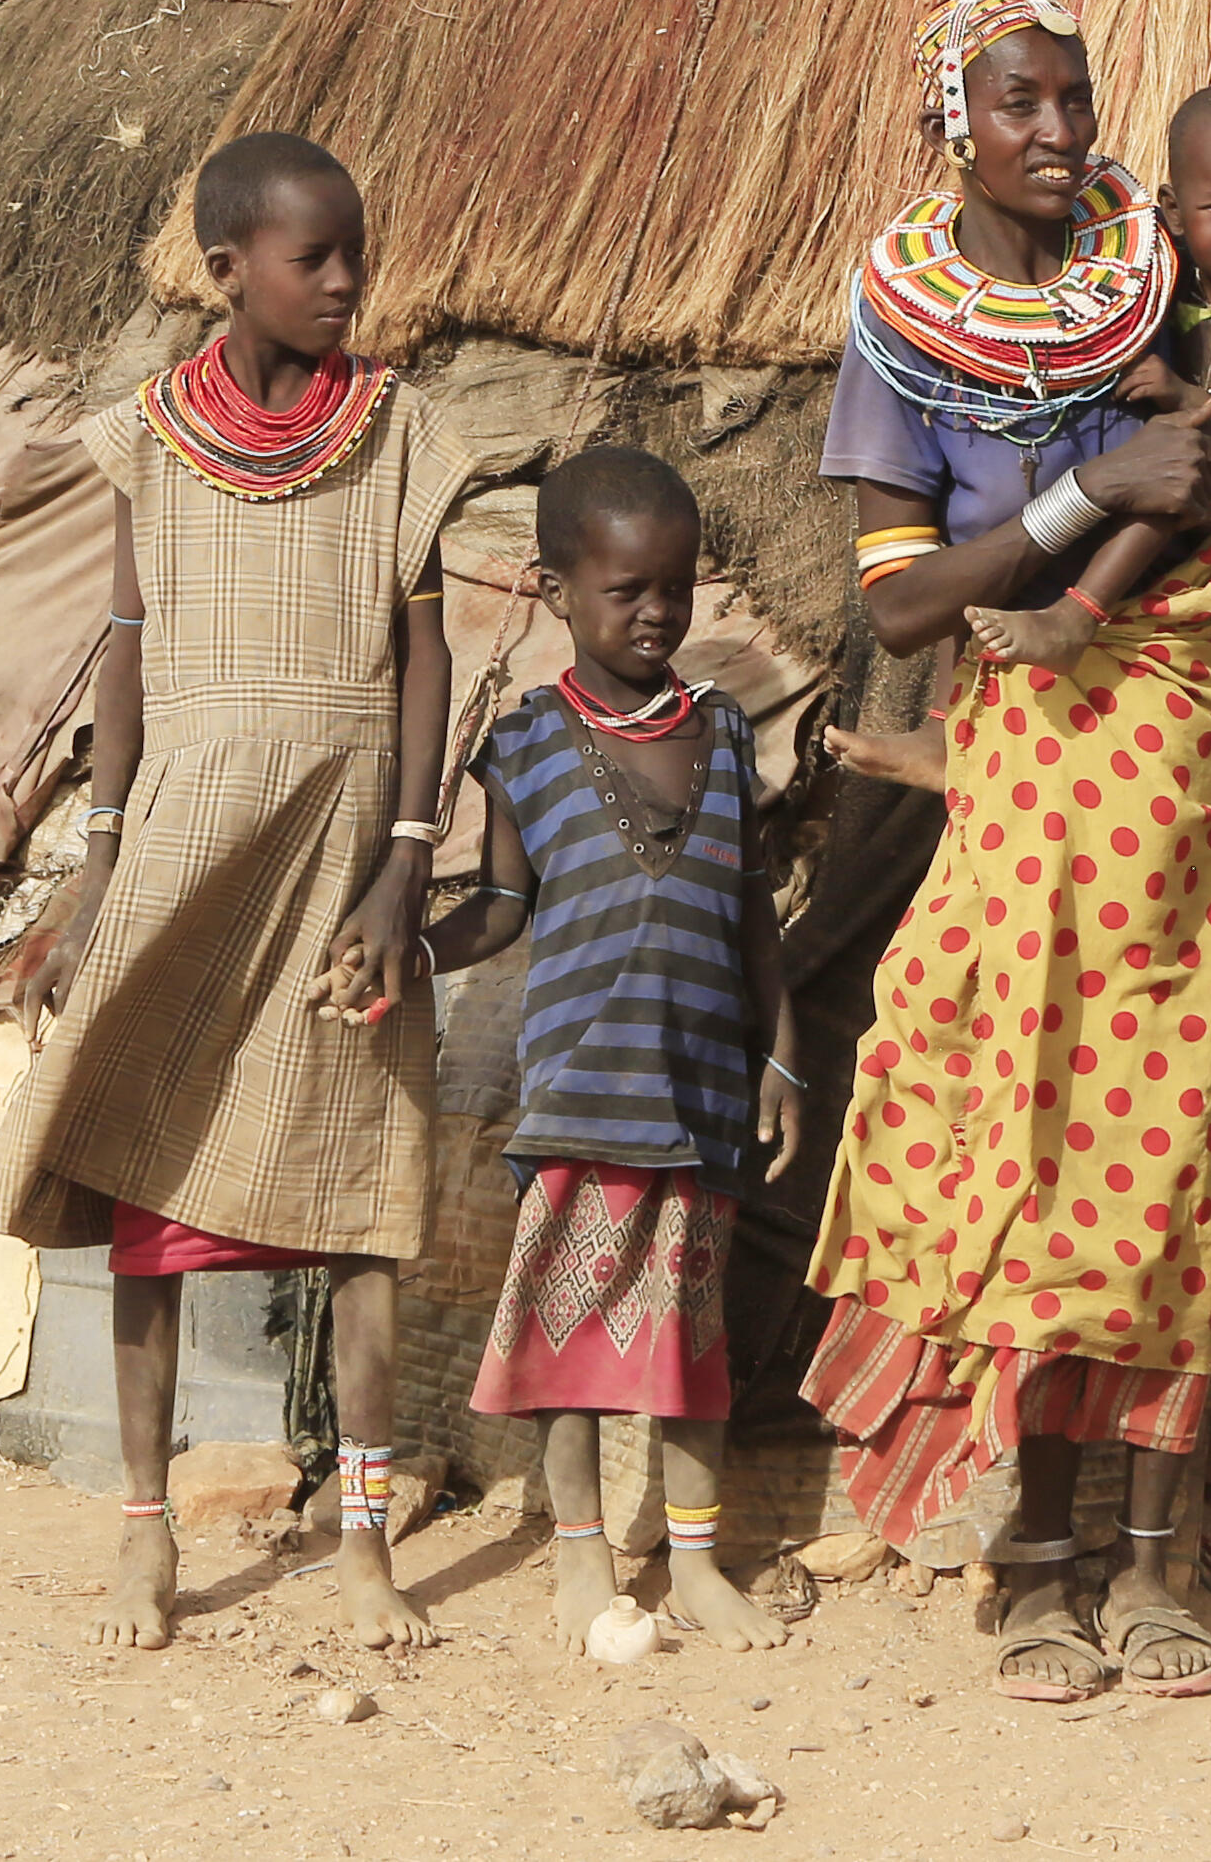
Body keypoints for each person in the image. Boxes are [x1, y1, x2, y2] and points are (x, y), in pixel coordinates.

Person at [798, 0, 1211, 1704]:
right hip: (1025, 749)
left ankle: (1151, 1562)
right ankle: (1033, 1556)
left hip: (1187, 742)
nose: (1060, 128)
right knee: (1022, 1118)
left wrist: (1149, 487)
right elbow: (904, 607)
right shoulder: (900, 335)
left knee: (1170, 1135)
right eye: (1022, 103)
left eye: (1075, 96)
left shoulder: (1155, 277)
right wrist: (1088, 494)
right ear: (958, 128)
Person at [0, 131, 468, 1657]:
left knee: (363, 1206)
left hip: (344, 856)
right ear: (226, 269)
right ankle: (147, 1529)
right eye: (315, 258)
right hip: (188, 840)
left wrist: (405, 861)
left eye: (357, 255)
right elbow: (125, 650)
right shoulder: (149, 441)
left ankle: (366, 1540)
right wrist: (100, 862)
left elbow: (426, 657)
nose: (346, 282)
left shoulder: (398, 432)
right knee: (153, 1190)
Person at [402, 447, 805, 1655]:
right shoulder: (525, 745)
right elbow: (501, 910)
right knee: (565, 1341)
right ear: (555, 589)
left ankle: (696, 1562)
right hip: (581, 1089)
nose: (655, 612)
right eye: (626, 590)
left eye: (675, 588)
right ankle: (581, 1557)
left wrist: (781, 1059)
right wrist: (409, 952)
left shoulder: (723, 734)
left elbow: (751, 918)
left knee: (692, 1347)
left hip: (699, 1094)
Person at [967, 82, 1211, 674]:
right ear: (1173, 210)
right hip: (1185, 510)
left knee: (1182, 454)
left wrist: (1183, 394)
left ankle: (1076, 615)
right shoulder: (1163, 280)